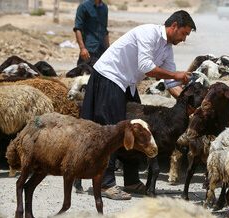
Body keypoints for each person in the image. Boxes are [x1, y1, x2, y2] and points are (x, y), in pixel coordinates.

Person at [74, 10, 196, 200]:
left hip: (127, 83)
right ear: (174, 26)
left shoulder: (166, 49)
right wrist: (176, 75)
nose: (184, 39)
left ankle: (130, 181)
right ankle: (106, 184)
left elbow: (172, 85)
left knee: (137, 128)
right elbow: (146, 67)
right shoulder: (148, 33)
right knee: (112, 130)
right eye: (184, 33)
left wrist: (187, 103)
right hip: (109, 76)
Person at [73, 0, 109, 66]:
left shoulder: (104, 7)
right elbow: (78, 28)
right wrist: (82, 48)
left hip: (101, 50)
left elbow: (105, 30)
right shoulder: (84, 6)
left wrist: (108, 50)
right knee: (84, 73)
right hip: (88, 50)